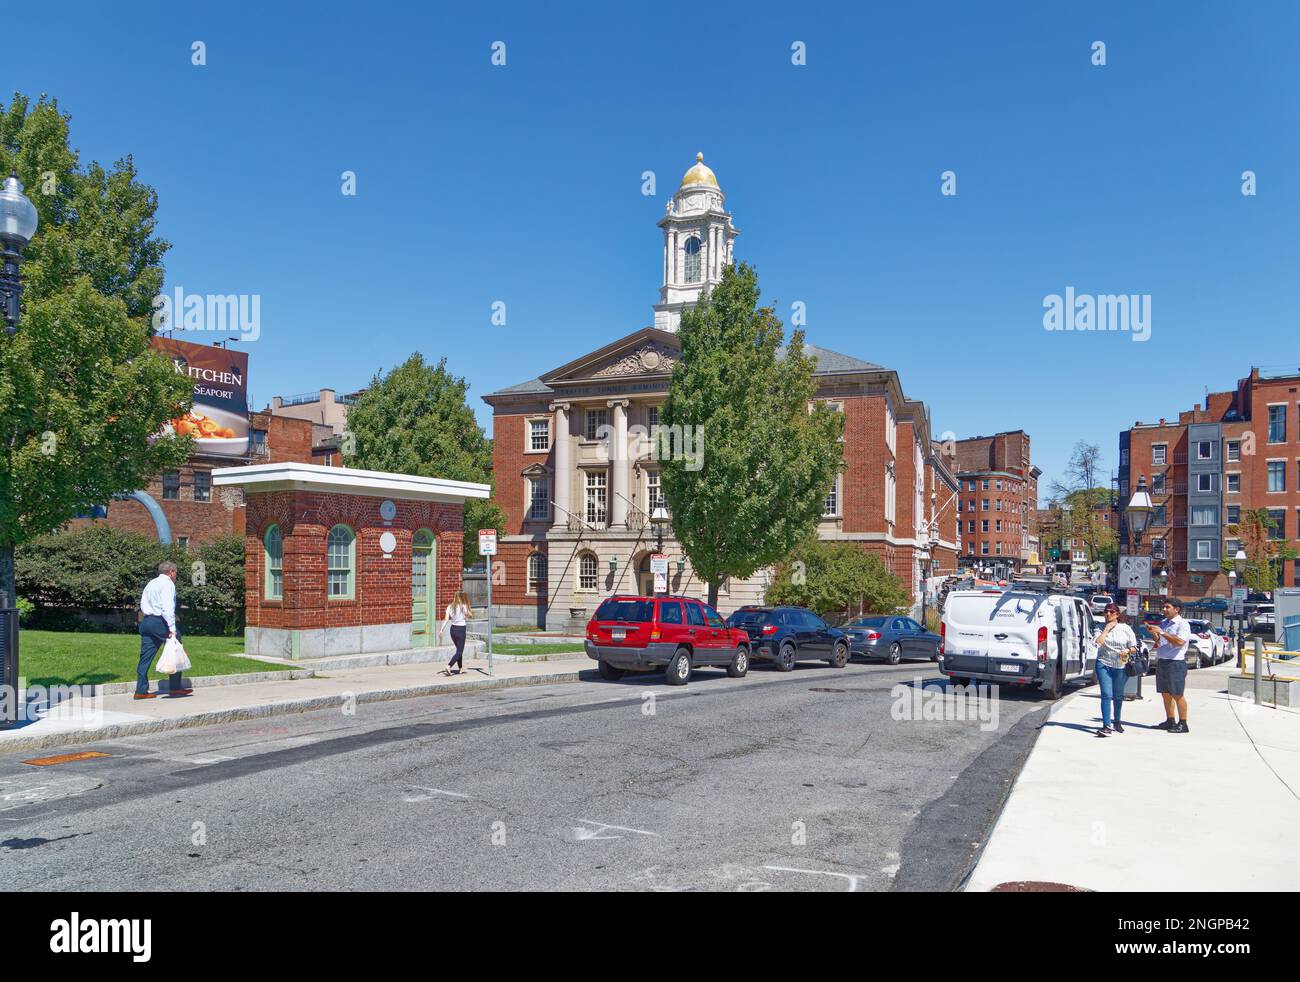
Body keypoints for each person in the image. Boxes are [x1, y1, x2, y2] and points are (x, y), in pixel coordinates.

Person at [136, 561, 191, 699]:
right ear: (171, 571)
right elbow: (167, 607)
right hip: (161, 622)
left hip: (147, 621)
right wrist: (172, 628)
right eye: (176, 572)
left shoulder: (151, 583)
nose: (176, 575)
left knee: (145, 657)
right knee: (176, 649)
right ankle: (175, 688)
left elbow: (143, 603)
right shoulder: (168, 584)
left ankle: (140, 690)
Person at [1092, 603, 1137, 736]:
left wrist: (1127, 650)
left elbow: (1134, 647)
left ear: (1117, 614)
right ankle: (1106, 725)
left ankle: (1117, 721)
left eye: (1112, 612)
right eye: (1106, 611)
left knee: (1118, 695)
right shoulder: (1099, 627)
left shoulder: (1126, 629)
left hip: (1120, 665)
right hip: (1103, 664)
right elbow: (1097, 643)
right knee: (1106, 694)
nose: (1108, 614)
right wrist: (1106, 629)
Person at [1147, 598, 1192, 732]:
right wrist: (1155, 633)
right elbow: (1160, 642)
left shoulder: (1182, 624)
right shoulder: (1164, 623)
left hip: (1176, 662)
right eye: (1164, 607)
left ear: (1176, 609)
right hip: (1163, 660)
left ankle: (1183, 723)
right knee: (1165, 693)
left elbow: (1179, 642)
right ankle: (1170, 720)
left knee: (1177, 693)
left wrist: (1161, 632)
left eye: (1168, 607)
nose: (1164, 610)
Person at [440, 591, 471, 676]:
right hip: (461, 630)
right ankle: (449, 666)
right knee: (460, 651)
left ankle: (460, 668)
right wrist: (469, 609)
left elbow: (446, 619)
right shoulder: (463, 606)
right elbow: (469, 615)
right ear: (461, 598)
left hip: (453, 630)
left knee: (458, 650)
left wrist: (441, 629)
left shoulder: (450, 606)